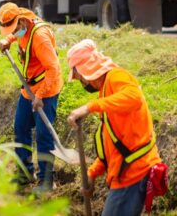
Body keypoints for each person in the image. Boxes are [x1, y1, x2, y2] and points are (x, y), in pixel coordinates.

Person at [66, 39, 167, 216]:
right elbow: (113, 144)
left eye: (78, 76)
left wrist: (90, 107)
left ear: (85, 70)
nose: (80, 81)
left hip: (133, 174)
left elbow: (135, 97)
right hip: (125, 174)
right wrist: (93, 172)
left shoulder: (116, 77)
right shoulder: (105, 91)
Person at [0, 3, 63, 194]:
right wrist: (8, 40)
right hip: (28, 88)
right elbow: (15, 32)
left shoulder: (40, 38)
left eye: (14, 30)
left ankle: (46, 181)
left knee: (43, 134)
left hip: (46, 90)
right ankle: (26, 173)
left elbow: (54, 69)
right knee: (20, 127)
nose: (14, 32)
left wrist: (40, 96)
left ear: (22, 22)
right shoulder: (21, 21)